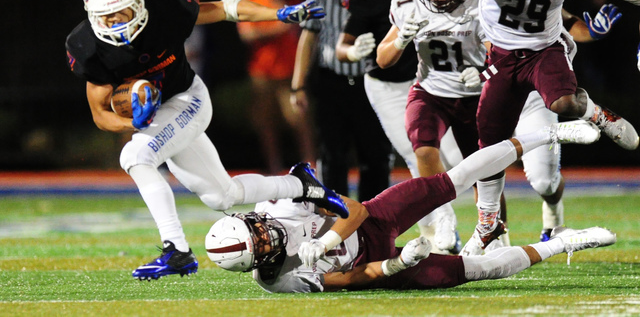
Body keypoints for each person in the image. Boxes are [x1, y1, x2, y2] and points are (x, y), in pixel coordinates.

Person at [65, 0, 348, 281]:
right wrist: (132, 124)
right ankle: (303, 185)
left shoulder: (165, 7)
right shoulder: (86, 47)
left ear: (139, 1)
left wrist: (277, 14)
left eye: (124, 11)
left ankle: (177, 251)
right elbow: (100, 114)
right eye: (107, 16)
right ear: (92, 14)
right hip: (158, 118)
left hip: (188, 100)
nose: (117, 22)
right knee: (222, 196)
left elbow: (225, 9)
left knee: (135, 156)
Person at [205, 120, 615, 293]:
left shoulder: (276, 202)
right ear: (258, 260)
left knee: (452, 182)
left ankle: (547, 133)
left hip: (368, 222)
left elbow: (354, 208)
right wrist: (395, 267)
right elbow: (350, 281)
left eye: (255, 226)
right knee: (476, 270)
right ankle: (567, 243)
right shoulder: (275, 279)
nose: (265, 232)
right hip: (371, 265)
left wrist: (329, 236)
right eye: (260, 242)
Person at [451, 0, 640, 252]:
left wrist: (605, 23)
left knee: (562, 109)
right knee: (489, 148)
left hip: (543, 50)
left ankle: (597, 114)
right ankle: (488, 225)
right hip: (502, 62)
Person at [335, 0, 461, 253]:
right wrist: (351, 52)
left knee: (457, 156)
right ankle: (438, 226)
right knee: (414, 153)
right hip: (386, 85)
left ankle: (485, 224)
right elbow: (341, 45)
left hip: (432, 80)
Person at [376, 0, 488, 254]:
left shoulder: (481, 3)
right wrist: (400, 41)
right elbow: (383, 59)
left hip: (474, 94)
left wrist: (484, 73)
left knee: (484, 169)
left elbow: (502, 55)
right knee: (423, 150)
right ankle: (442, 219)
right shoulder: (406, 2)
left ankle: (492, 231)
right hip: (431, 92)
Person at [290, 0, 394, 202]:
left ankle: (374, 219)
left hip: (371, 82)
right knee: (332, 155)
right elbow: (309, 38)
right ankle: (337, 220)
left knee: (375, 154)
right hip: (332, 83)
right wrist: (298, 86)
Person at [237, 0, 314, 174]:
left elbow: (302, 29)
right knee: (266, 125)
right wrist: (281, 27)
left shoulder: (289, 1)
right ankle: (274, 167)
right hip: (262, 74)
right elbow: (248, 35)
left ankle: (312, 166)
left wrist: (280, 11)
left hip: (289, 73)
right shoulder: (249, 2)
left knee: (300, 120)